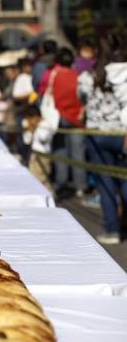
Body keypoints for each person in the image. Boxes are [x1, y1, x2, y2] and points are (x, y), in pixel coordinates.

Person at [77, 32, 127, 244]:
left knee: (105, 183)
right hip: (121, 133)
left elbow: (81, 97)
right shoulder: (124, 73)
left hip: (97, 134)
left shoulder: (88, 76)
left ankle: (112, 230)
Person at [47, 47, 87, 197]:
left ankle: (61, 182)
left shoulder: (54, 76)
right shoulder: (78, 76)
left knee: (60, 151)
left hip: (59, 118)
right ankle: (80, 186)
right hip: (77, 119)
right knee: (78, 153)